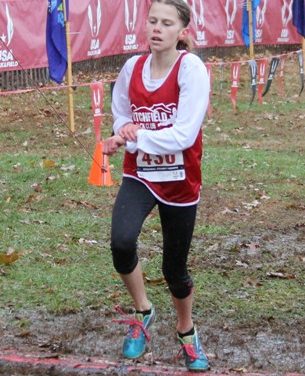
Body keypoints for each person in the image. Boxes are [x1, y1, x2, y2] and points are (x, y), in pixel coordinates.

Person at [103, 0, 210, 371]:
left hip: (180, 180)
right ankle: (143, 310)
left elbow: (183, 133)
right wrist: (122, 130)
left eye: (166, 23)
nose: (156, 29)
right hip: (141, 174)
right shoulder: (132, 66)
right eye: (152, 21)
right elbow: (121, 111)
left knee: (174, 269)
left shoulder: (191, 69)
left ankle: (186, 331)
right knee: (121, 242)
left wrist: (135, 135)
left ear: (181, 32)